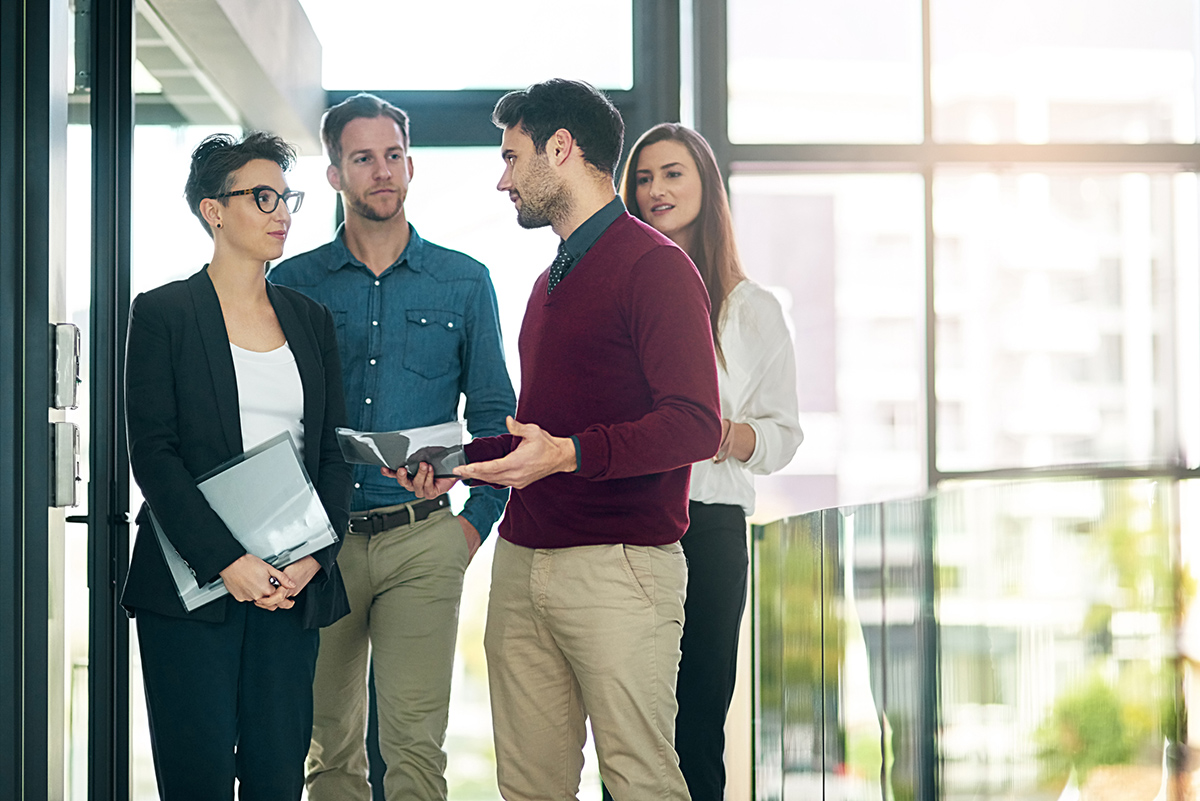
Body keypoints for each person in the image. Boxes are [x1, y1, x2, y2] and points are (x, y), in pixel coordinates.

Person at [391, 79, 723, 801]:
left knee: (641, 781)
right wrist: (456, 466)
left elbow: (695, 421)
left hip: (620, 572)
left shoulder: (657, 267)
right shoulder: (546, 283)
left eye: (512, 157)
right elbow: (538, 432)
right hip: (522, 565)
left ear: (562, 149)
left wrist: (570, 453)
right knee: (529, 789)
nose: (503, 178)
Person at [269, 93, 516, 801]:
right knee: (329, 748)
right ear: (334, 174)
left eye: (393, 155)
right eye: (363, 158)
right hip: (322, 545)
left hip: (423, 544)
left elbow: (496, 413)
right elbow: (275, 415)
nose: (382, 171)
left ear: (412, 164)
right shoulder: (291, 283)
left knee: (414, 752)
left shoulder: (465, 281)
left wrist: (474, 523)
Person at [121, 131, 353, 800]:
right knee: (196, 780)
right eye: (262, 196)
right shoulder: (164, 313)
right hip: (193, 590)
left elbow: (330, 452)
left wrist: (315, 558)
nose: (281, 211)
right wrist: (229, 562)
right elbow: (154, 455)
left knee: (278, 777)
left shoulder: (310, 320)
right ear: (213, 210)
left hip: (289, 585)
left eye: (286, 196)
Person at [621, 122, 803, 800]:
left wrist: (723, 434)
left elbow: (785, 433)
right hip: (627, 523)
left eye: (672, 173)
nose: (657, 188)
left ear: (705, 185)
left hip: (710, 526)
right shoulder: (622, 291)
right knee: (629, 725)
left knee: (697, 724)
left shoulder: (753, 310)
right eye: (643, 177)